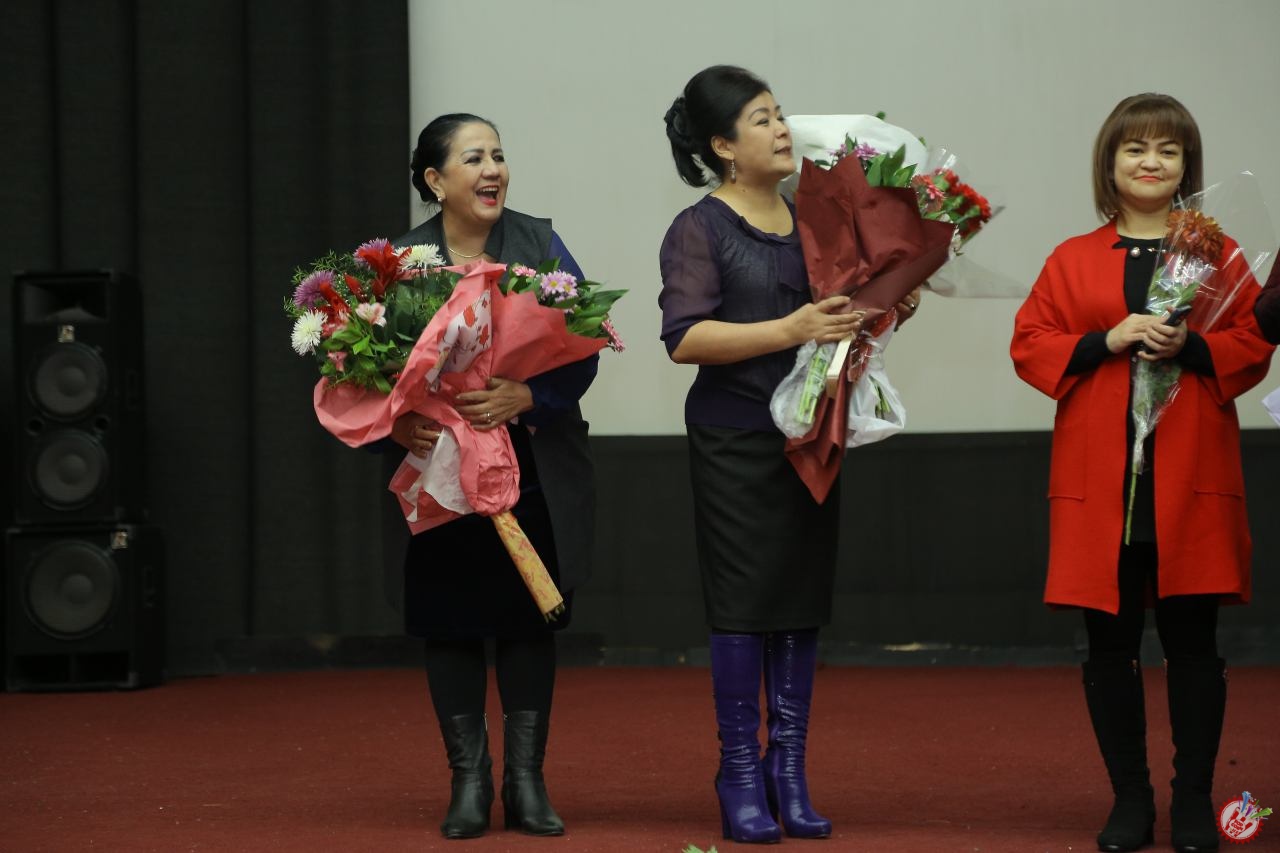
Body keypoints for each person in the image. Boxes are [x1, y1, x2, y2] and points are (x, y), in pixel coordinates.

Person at [659, 65, 920, 844]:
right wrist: (792, 329)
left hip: (812, 431)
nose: (782, 129)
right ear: (723, 146)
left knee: (801, 603)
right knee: (744, 607)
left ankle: (789, 770)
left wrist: (887, 305)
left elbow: (839, 319)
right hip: (734, 439)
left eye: (780, 114)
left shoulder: (818, 215)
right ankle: (740, 771)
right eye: (762, 119)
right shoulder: (699, 227)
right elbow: (686, 338)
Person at [1011, 94, 1273, 853]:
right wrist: (1109, 337)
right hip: (1104, 485)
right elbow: (1030, 342)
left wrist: (1193, 346)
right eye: (1135, 148)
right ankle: (1131, 798)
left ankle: (1193, 798)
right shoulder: (1071, 257)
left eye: (1168, 150)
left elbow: (1254, 340)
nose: (1151, 162)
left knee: (1193, 645)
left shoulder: (1219, 254)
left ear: (1187, 166)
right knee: (1109, 646)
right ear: (1110, 163)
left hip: (1190, 475)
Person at [387, 113, 598, 840]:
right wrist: (395, 424)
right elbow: (363, 369)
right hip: (439, 470)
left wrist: (529, 394)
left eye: (499, 156)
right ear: (435, 179)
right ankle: (469, 781)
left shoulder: (539, 244)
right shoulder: (400, 262)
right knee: (449, 621)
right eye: (474, 158)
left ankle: (526, 781)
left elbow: (585, 343)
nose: (493, 170)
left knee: (527, 620)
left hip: (528, 463)